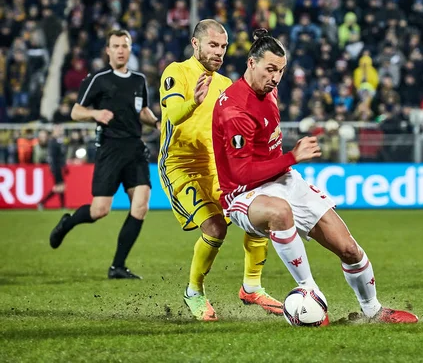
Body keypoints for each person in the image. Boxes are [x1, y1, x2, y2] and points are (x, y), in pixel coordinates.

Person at [212, 29, 418, 324]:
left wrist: (286, 164)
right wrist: (291, 157)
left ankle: (373, 311)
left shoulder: (270, 90)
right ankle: (309, 291)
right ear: (251, 63)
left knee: (349, 249)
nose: (275, 78)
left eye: (281, 71)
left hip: (284, 180)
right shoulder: (234, 109)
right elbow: (241, 172)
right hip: (244, 194)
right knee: (279, 212)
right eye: (270, 69)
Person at [158, 19, 282, 321]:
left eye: (224, 46)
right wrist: (193, 102)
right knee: (215, 228)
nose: (219, 52)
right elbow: (172, 113)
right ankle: (194, 292)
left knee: (261, 214)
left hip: (217, 167)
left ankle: (252, 287)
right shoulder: (177, 72)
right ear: (195, 43)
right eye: (213, 45)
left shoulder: (226, 86)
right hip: (181, 166)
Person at [49, 29, 160, 280]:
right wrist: (95, 114)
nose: (120, 50)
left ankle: (117, 266)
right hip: (109, 149)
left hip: (134, 148)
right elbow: (76, 112)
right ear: (108, 50)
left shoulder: (139, 80)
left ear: (130, 49)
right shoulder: (98, 79)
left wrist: (155, 123)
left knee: (141, 205)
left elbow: (141, 111)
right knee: (100, 210)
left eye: (124, 45)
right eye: (115, 46)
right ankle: (68, 222)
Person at [38, 124, 68, 210]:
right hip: (56, 167)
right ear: (54, 131)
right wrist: (53, 167)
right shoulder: (52, 141)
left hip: (58, 166)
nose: (60, 131)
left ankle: (62, 206)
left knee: (61, 187)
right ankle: (42, 202)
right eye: (59, 129)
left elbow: (61, 155)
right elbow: (51, 156)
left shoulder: (59, 141)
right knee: (59, 187)